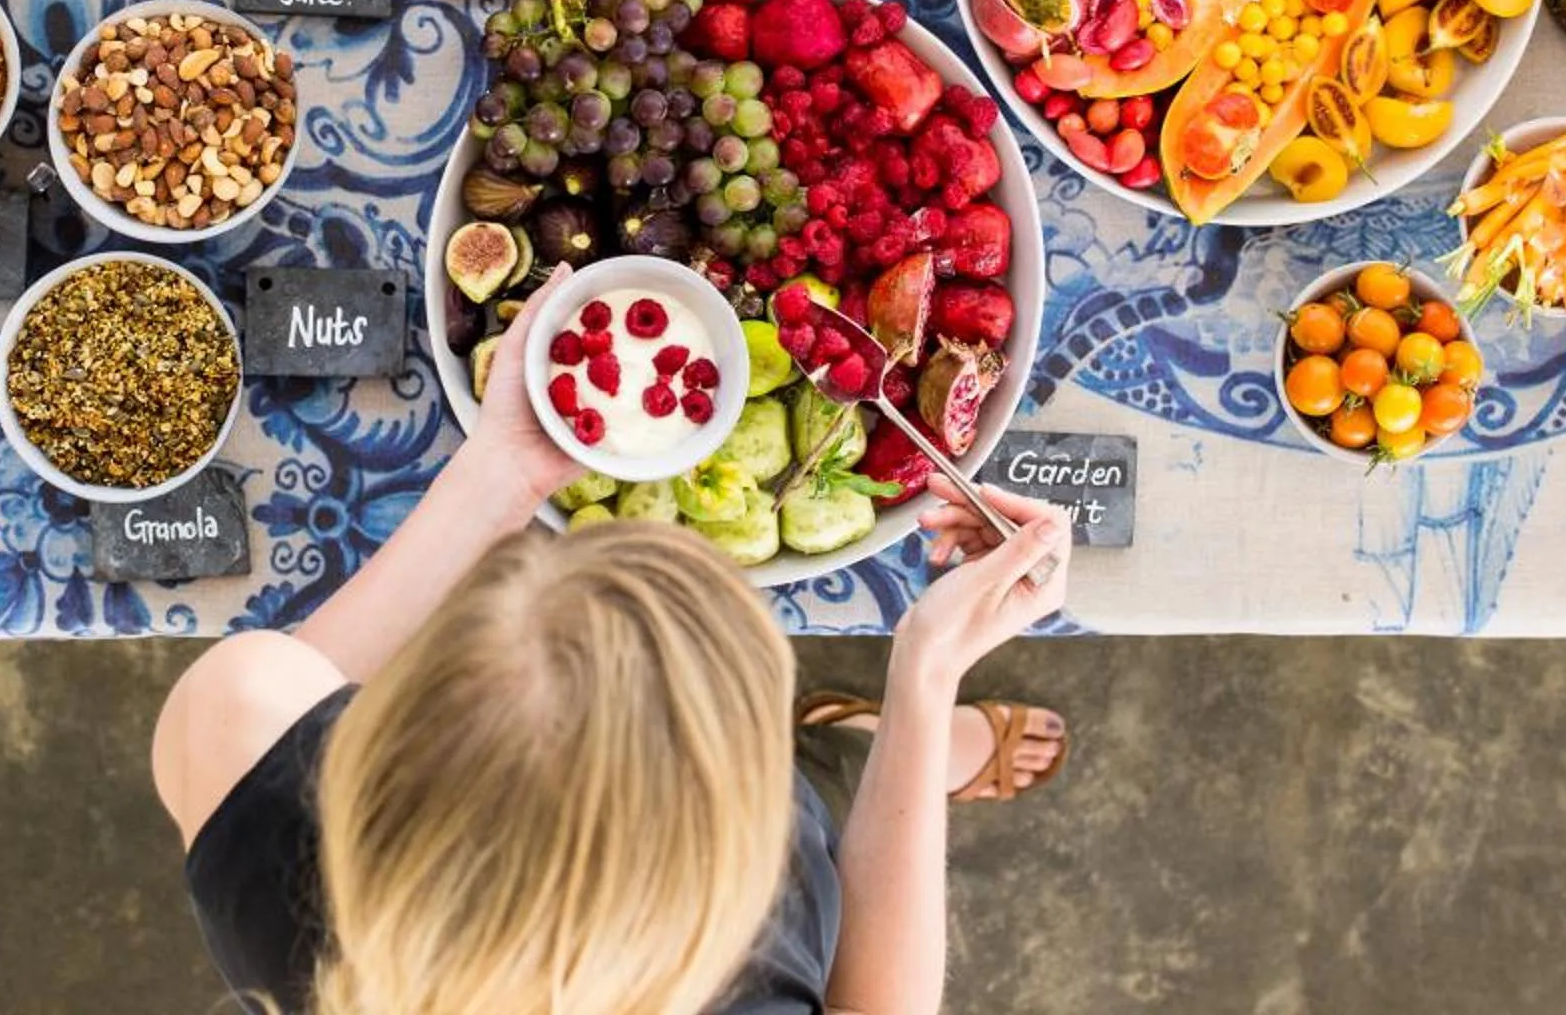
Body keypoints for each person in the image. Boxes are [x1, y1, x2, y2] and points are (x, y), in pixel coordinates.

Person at [154, 270, 1072, 1015]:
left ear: (395, 721)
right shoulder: (768, 923)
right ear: (728, 839)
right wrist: (924, 678)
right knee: (850, 776)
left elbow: (279, 684)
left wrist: (509, 466)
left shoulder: (242, 733)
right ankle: (848, 740)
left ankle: (841, 743)